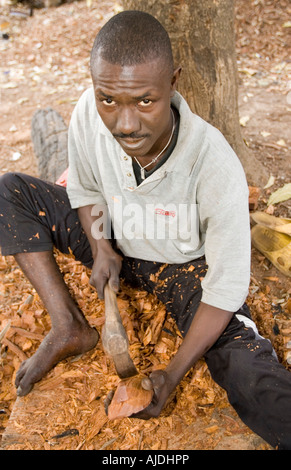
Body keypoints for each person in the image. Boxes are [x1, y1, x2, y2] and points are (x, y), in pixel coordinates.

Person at [0, 11, 290, 450]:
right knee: (9, 193)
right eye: (109, 100)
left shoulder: (213, 164)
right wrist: (99, 245)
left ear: (173, 81)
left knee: (252, 373)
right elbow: (86, 186)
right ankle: (68, 325)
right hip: (116, 236)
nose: (126, 123)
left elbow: (226, 287)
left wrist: (172, 374)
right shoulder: (87, 112)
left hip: (181, 268)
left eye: (145, 101)